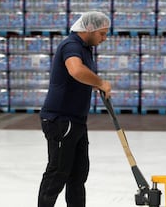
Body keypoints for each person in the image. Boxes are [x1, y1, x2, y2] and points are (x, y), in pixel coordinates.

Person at [38, 11, 112, 207]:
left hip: (77, 119)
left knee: (78, 174)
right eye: (102, 34)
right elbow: (76, 70)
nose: (104, 38)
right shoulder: (71, 45)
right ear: (89, 29)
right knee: (58, 172)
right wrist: (101, 82)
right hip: (61, 119)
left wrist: (94, 84)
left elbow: (79, 76)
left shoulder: (86, 48)